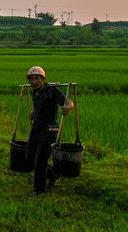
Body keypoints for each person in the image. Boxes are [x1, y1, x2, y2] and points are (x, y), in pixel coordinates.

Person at [25, 65, 72, 195]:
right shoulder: (34, 91)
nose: (34, 81)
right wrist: (34, 112)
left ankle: (39, 190)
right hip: (37, 127)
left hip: (50, 128)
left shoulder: (52, 90)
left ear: (43, 79)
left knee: (40, 159)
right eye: (31, 79)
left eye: (37, 78)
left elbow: (67, 102)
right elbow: (39, 105)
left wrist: (68, 107)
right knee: (29, 155)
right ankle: (52, 174)